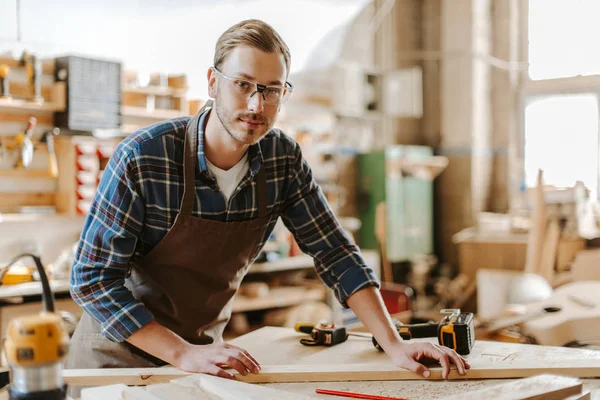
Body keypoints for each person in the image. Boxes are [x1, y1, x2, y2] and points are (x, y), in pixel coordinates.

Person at [68, 19, 470, 381]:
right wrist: (180, 353)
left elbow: (335, 253)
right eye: (243, 85)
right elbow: (91, 280)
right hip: (115, 362)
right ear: (212, 82)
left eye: (272, 90)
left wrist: (393, 342)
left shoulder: (282, 160)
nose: (256, 105)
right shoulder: (144, 156)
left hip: (202, 356)